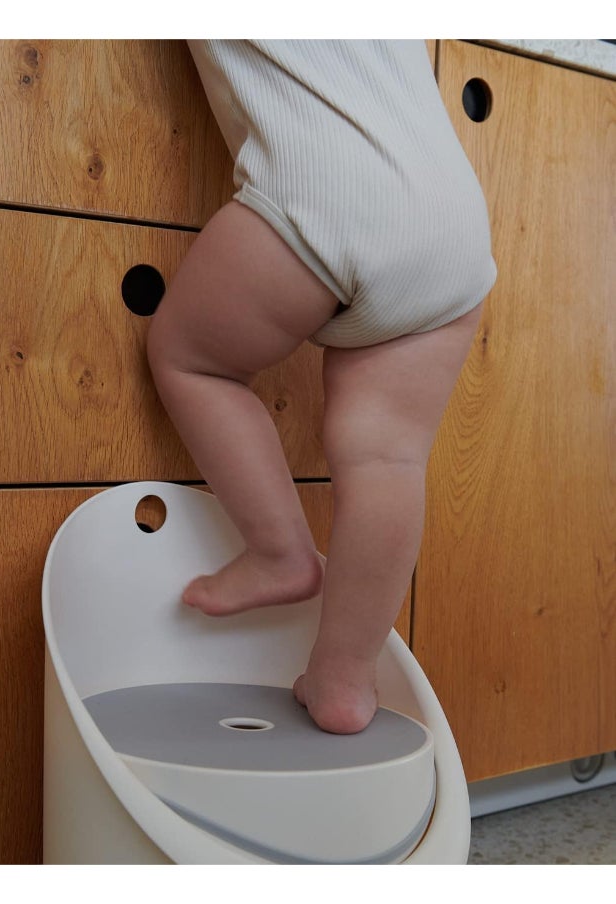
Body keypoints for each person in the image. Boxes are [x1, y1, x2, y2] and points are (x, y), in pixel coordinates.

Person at [147, 39, 497, 734]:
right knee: (387, 460)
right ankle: (343, 679)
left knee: (194, 360)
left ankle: (278, 551)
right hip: (452, 222)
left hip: (322, 187)